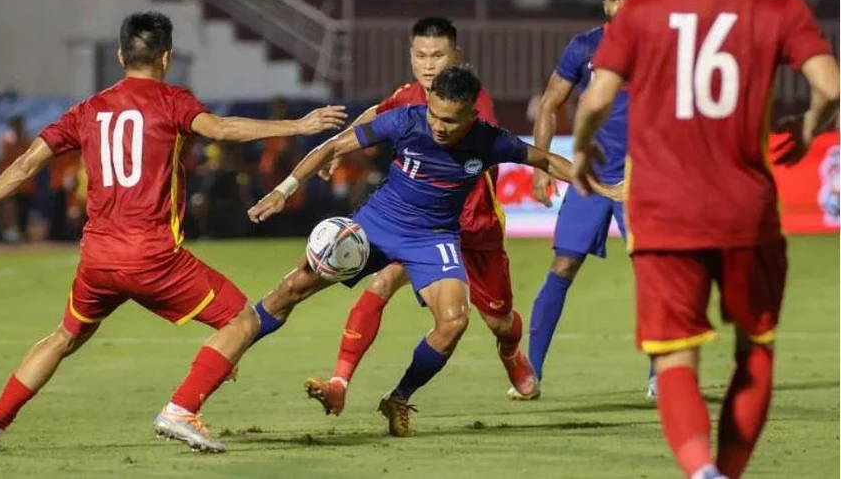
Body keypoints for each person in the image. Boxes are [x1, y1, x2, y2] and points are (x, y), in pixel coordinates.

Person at [0, 11, 347, 452]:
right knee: (242, 320)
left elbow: (25, 164)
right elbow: (223, 130)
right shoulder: (172, 101)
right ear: (166, 58)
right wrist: (299, 125)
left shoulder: (88, 109)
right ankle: (181, 408)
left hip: (97, 260)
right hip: (152, 256)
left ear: (121, 55)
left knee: (65, 336)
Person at [161, 66, 615, 453]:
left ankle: (399, 397)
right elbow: (335, 146)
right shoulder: (406, 120)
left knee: (454, 321)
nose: (439, 126)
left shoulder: (488, 140)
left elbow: (546, 160)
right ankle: (195, 394)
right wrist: (284, 190)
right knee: (285, 294)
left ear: (471, 115)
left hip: (433, 238)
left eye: (451, 121)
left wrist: (603, 187)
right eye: (435, 114)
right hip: (375, 226)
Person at [570, 0, 840, 479]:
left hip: (663, 211)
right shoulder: (780, 7)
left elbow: (596, 98)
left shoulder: (643, 9)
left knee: (674, 359)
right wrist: (807, 130)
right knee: (755, 349)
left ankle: (701, 473)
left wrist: (583, 149)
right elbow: (830, 86)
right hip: (746, 209)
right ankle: (732, 470)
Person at [305, 17, 562, 416]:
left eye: (438, 56)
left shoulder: (473, 104)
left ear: (455, 57)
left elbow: (509, 149)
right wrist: (337, 150)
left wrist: (544, 170)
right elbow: (375, 114)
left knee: (498, 321)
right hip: (419, 226)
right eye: (421, 56)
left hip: (474, 229)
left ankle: (510, 349)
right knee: (382, 282)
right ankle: (340, 382)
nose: (429, 65)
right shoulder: (407, 97)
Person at [523, 0, 651, 398]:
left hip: (645, 181)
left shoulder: (664, 48)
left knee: (655, 274)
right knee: (562, 266)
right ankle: (530, 374)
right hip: (590, 178)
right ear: (605, 3)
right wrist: (541, 167)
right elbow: (549, 103)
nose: (624, 6)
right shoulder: (584, 47)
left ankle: (659, 376)